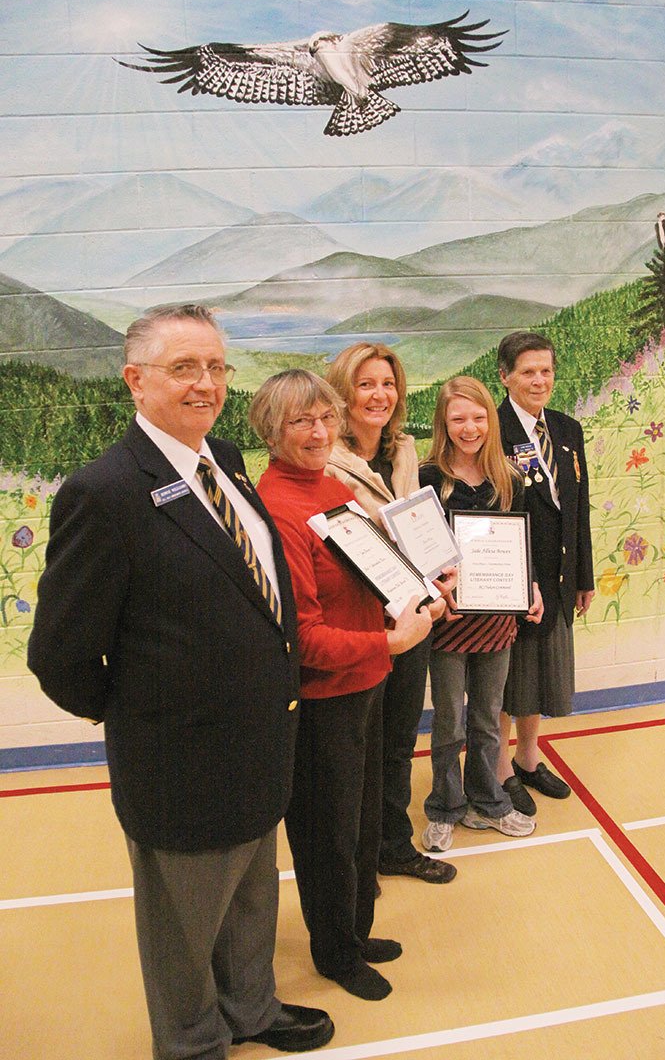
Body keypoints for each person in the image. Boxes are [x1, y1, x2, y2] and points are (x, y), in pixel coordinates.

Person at [27, 305, 334, 1059]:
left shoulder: (221, 459)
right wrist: (141, 717)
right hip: (179, 765)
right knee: (184, 926)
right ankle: (194, 1041)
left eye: (217, 368)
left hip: (260, 743)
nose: (206, 384)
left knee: (253, 900)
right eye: (184, 368)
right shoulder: (106, 493)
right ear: (135, 381)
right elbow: (59, 655)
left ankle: (251, 1007)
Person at [250, 369, 433, 1001]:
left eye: (327, 417)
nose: (320, 431)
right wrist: (389, 641)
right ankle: (334, 953)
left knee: (359, 826)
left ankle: (354, 932)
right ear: (273, 431)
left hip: (368, 684)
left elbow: (369, 579)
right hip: (325, 699)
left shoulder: (334, 488)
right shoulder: (276, 507)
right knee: (326, 835)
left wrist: (420, 596)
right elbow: (302, 636)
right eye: (301, 421)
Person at [325, 342, 457, 885]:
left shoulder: (406, 453)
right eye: (365, 384)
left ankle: (393, 846)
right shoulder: (326, 458)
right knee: (361, 746)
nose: (379, 395)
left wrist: (443, 574)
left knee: (400, 740)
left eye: (387, 383)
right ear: (343, 393)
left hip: (416, 618)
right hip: (366, 625)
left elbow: (419, 530)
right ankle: (356, 857)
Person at [418, 378, 542, 851]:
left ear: (491, 420)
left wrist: (530, 588)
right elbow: (420, 554)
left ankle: (487, 802)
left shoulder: (509, 478)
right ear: (444, 425)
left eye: (478, 417)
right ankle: (445, 806)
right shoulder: (429, 478)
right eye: (458, 419)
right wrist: (435, 593)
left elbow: (522, 548)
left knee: (488, 718)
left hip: (498, 623)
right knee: (449, 721)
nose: (469, 428)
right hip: (449, 624)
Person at [496, 330, 595, 815]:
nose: (539, 380)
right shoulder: (490, 431)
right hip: (515, 580)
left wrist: (584, 575)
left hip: (559, 578)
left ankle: (528, 759)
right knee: (506, 681)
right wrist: (519, 580)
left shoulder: (566, 429)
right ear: (505, 376)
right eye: (528, 371)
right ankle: (497, 771)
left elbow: (579, 509)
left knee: (540, 678)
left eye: (546, 371)